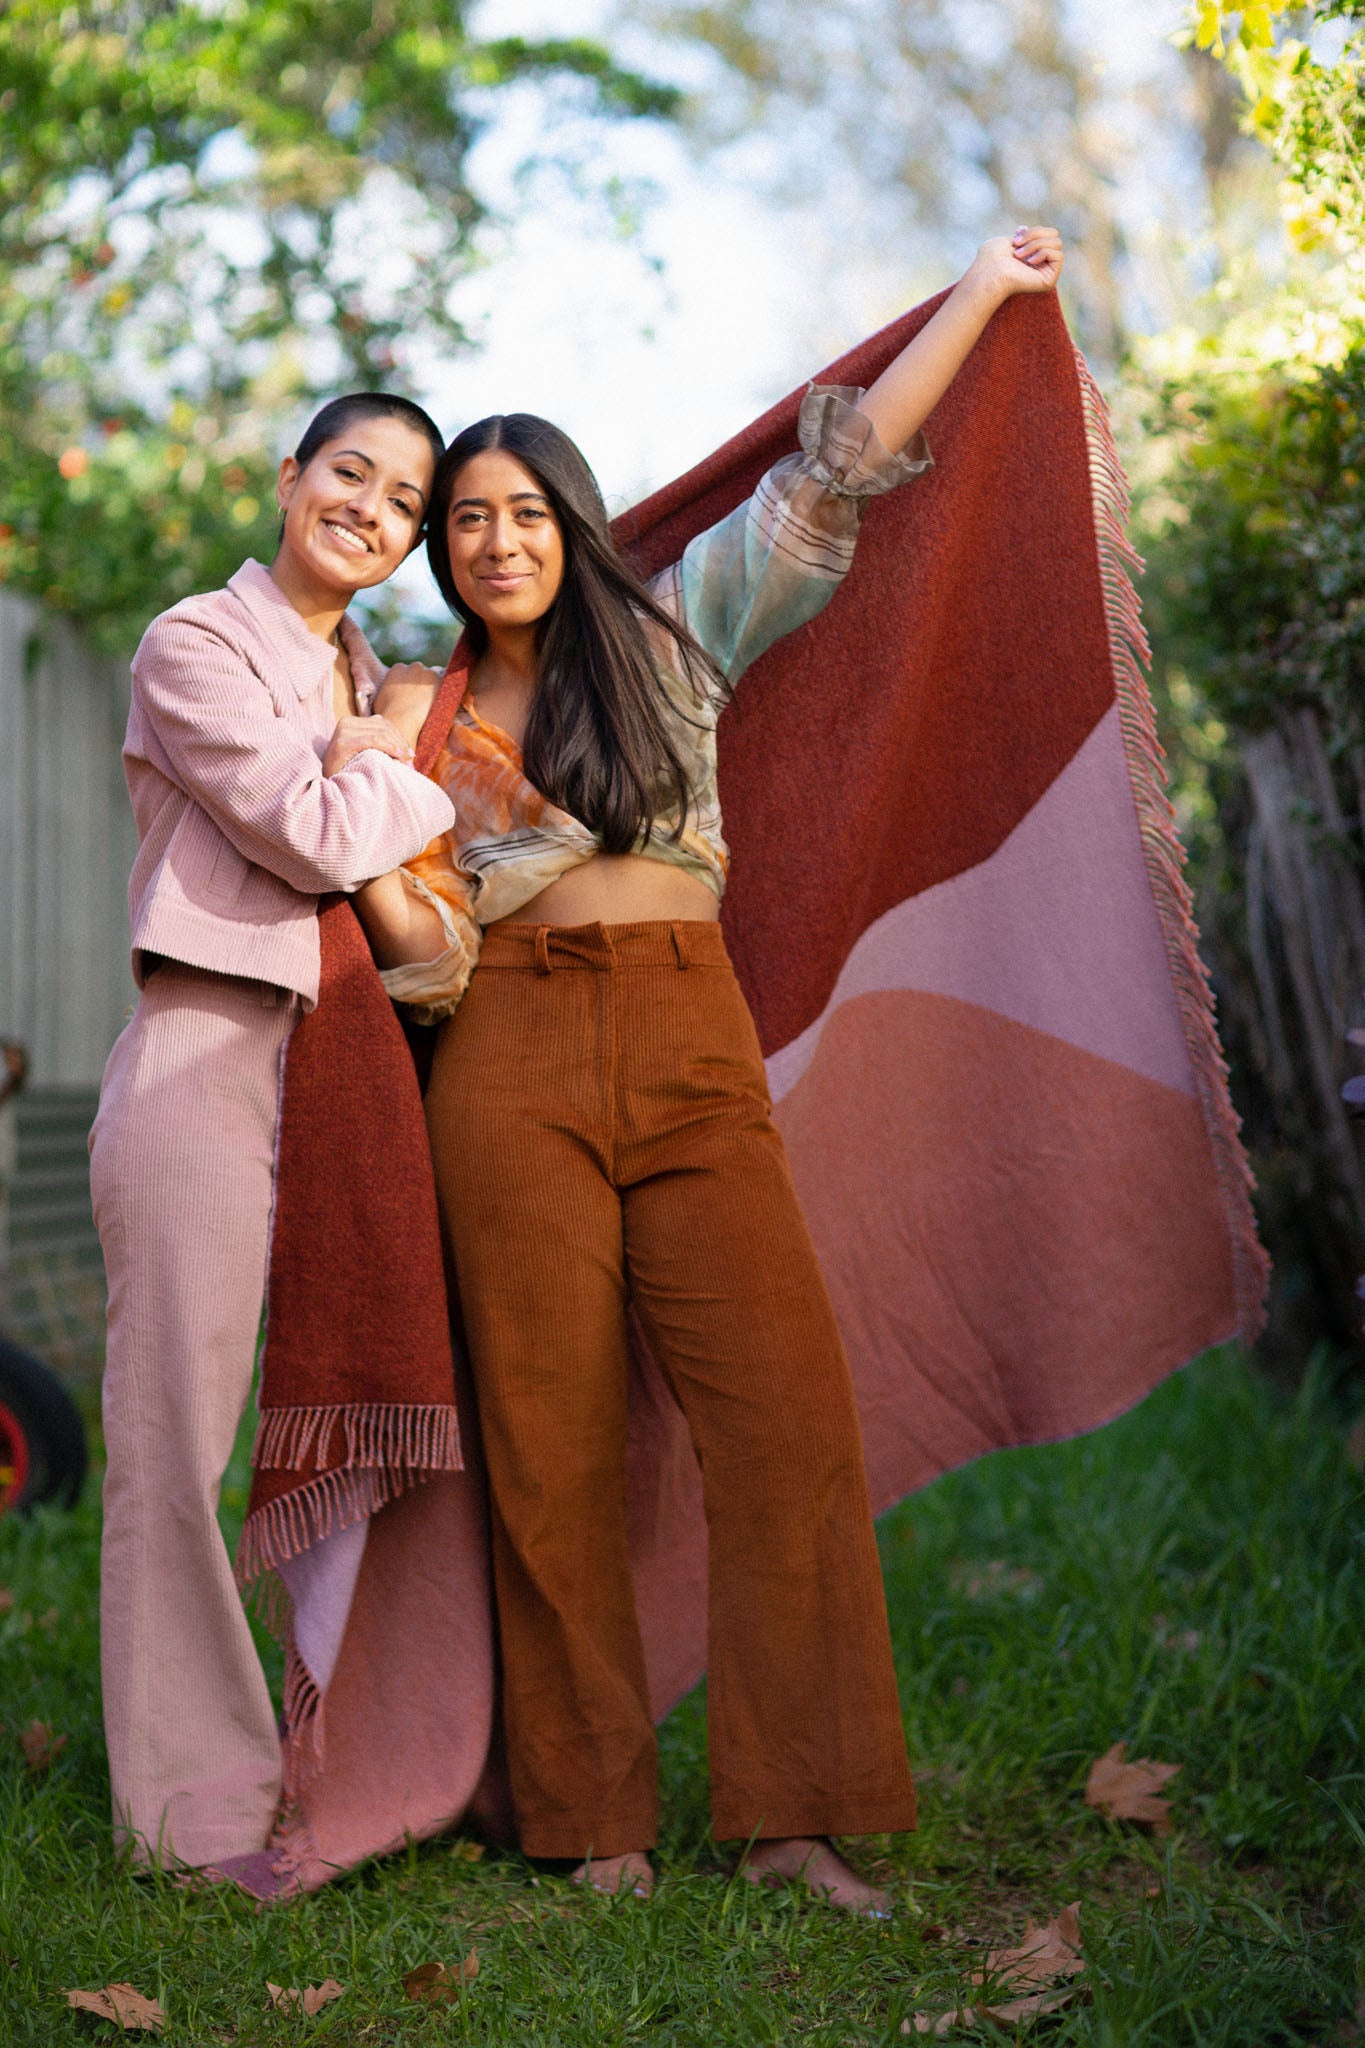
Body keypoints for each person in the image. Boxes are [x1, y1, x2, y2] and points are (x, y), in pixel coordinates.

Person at [357, 228, 1065, 1911]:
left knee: (784, 1420)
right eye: (467, 518)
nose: (498, 537)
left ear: (576, 525)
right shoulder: (413, 711)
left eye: (527, 509)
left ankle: (792, 1815)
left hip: (687, 1043)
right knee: (547, 1443)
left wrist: (978, 288)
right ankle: (590, 1819)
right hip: (504, 1063)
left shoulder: (677, 639)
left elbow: (850, 474)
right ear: (442, 552)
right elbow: (382, 912)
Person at [88, 393, 457, 1873]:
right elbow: (307, 833)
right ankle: (191, 1815)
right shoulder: (195, 643)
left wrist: (381, 730)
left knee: (348, 1387)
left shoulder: (369, 674)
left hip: (350, 1075)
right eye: (348, 473)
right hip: (209, 1053)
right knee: (173, 1442)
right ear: (289, 477)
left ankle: (351, 1750)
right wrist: (399, 751)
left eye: (403, 501)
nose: (369, 507)